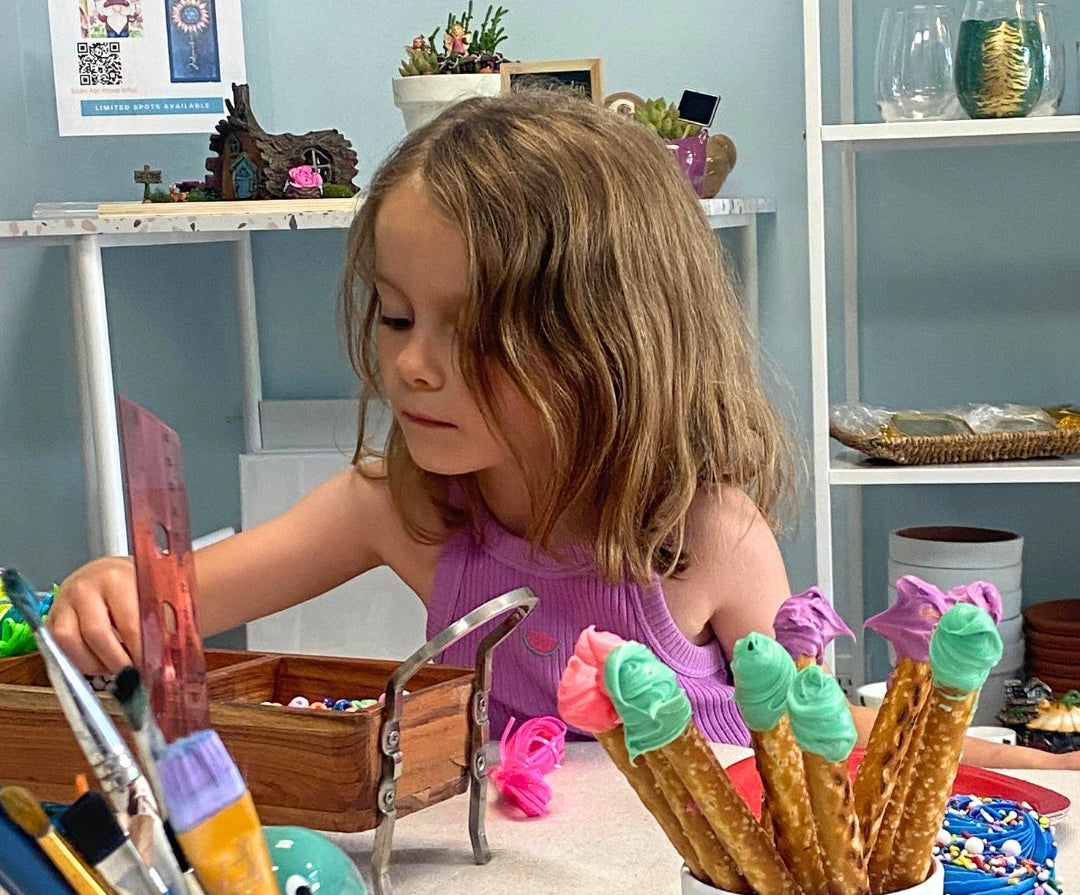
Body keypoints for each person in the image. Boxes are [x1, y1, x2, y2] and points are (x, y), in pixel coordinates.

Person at [49, 90, 1074, 771]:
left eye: (477, 332)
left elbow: (811, 729)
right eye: (398, 316)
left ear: (610, 346)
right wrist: (107, 598)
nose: (409, 363)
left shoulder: (708, 533)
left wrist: (981, 754)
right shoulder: (395, 511)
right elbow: (168, 610)